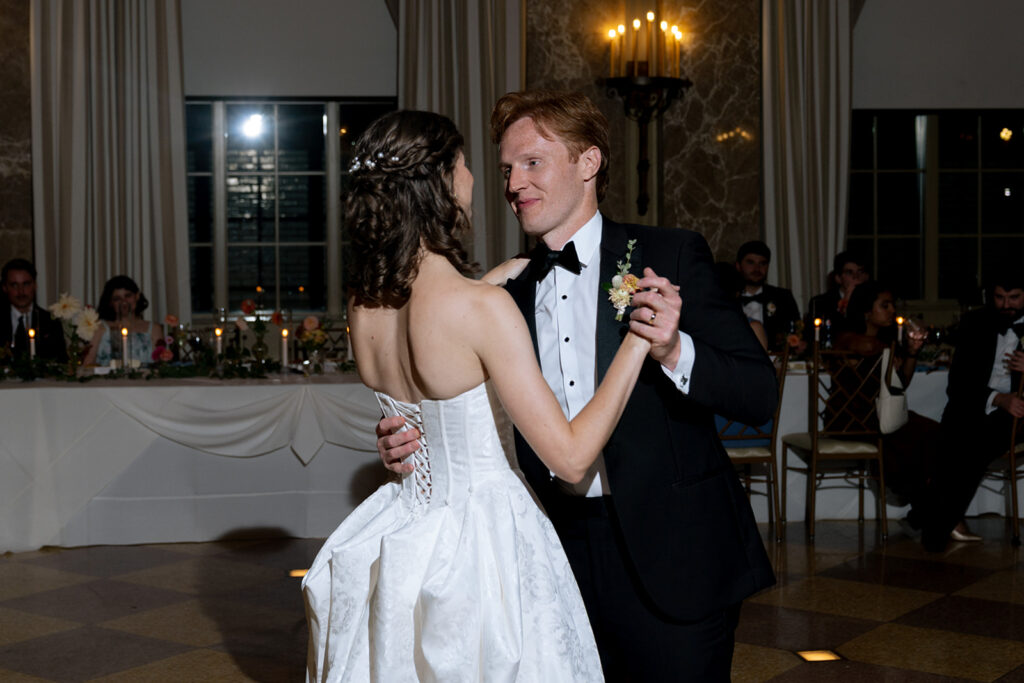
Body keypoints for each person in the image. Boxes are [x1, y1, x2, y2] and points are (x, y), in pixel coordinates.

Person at [378, 90, 776, 680]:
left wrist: (674, 348)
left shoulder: (669, 253)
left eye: (533, 163)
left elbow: (758, 394)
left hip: (677, 551)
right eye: (507, 169)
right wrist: (407, 439)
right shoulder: (501, 297)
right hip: (552, 558)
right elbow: (463, 410)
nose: (514, 184)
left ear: (588, 164)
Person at [302, 110, 655, 681]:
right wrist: (636, 340)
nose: (478, 180)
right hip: (482, 541)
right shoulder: (481, 310)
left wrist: (486, 282)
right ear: (441, 181)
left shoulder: (363, 307)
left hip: (404, 535)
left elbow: (431, 347)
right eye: (466, 165)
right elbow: (568, 457)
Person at [919, 269, 1024, 551]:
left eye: (1014, 297)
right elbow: (959, 383)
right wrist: (996, 399)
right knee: (948, 435)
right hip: (979, 402)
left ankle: (933, 523)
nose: (1006, 305)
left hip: (1020, 411)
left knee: (976, 441)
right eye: (1000, 297)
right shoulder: (975, 322)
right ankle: (942, 518)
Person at [833, 281, 940, 523]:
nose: (892, 310)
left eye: (892, 305)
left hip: (879, 417)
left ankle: (925, 504)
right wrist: (890, 349)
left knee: (930, 432)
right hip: (851, 419)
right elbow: (863, 346)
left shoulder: (885, 344)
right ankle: (926, 506)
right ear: (866, 311)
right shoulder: (847, 337)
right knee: (907, 437)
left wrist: (911, 353)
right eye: (885, 305)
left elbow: (901, 383)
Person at [82, 275, 162, 367]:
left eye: (128, 296)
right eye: (117, 299)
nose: (124, 302)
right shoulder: (100, 327)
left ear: (137, 296)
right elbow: (88, 362)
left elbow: (160, 364)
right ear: (110, 303)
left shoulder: (154, 329)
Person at [734, 240, 800, 351]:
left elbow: (795, 334)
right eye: (750, 262)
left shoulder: (783, 298)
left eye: (762, 263)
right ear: (738, 266)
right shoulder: (727, 297)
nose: (757, 268)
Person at [0, 258, 68, 362]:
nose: (21, 291)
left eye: (26, 284)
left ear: (35, 285)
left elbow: (61, 362)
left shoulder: (51, 323)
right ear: (5, 288)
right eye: (14, 285)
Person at [804, 250, 869, 344]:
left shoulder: (872, 300)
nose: (856, 277)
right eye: (849, 272)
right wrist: (846, 301)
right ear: (838, 278)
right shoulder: (821, 302)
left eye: (860, 271)